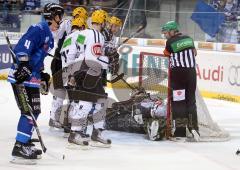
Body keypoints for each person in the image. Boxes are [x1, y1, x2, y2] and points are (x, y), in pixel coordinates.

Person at [7, 3, 64, 164]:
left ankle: (24, 141)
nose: (60, 20)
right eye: (59, 16)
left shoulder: (48, 36)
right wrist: (23, 65)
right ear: (51, 16)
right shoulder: (38, 29)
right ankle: (19, 146)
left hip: (32, 78)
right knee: (28, 111)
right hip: (20, 77)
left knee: (35, 111)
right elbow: (22, 48)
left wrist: (43, 74)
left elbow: (37, 58)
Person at [61, 9, 110, 148]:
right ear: (102, 21)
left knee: (100, 101)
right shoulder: (97, 35)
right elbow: (93, 57)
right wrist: (108, 59)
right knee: (86, 102)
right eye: (105, 21)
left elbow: (71, 53)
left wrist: (71, 74)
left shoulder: (81, 34)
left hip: (79, 70)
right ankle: (75, 134)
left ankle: (97, 132)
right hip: (90, 71)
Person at [49, 6, 88, 131]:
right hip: (66, 65)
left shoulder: (69, 32)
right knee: (71, 93)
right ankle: (69, 120)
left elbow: (58, 36)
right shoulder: (77, 30)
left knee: (59, 92)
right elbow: (81, 50)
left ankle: (56, 118)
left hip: (61, 62)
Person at [161, 21, 200, 140]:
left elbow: (166, 54)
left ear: (172, 31)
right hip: (191, 74)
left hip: (178, 74)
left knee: (179, 102)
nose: (165, 35)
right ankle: (194, 129)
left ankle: (180, 131)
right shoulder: (189, 38)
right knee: (191, 101)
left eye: (166, 33)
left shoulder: (170, 42)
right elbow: (195, 53)